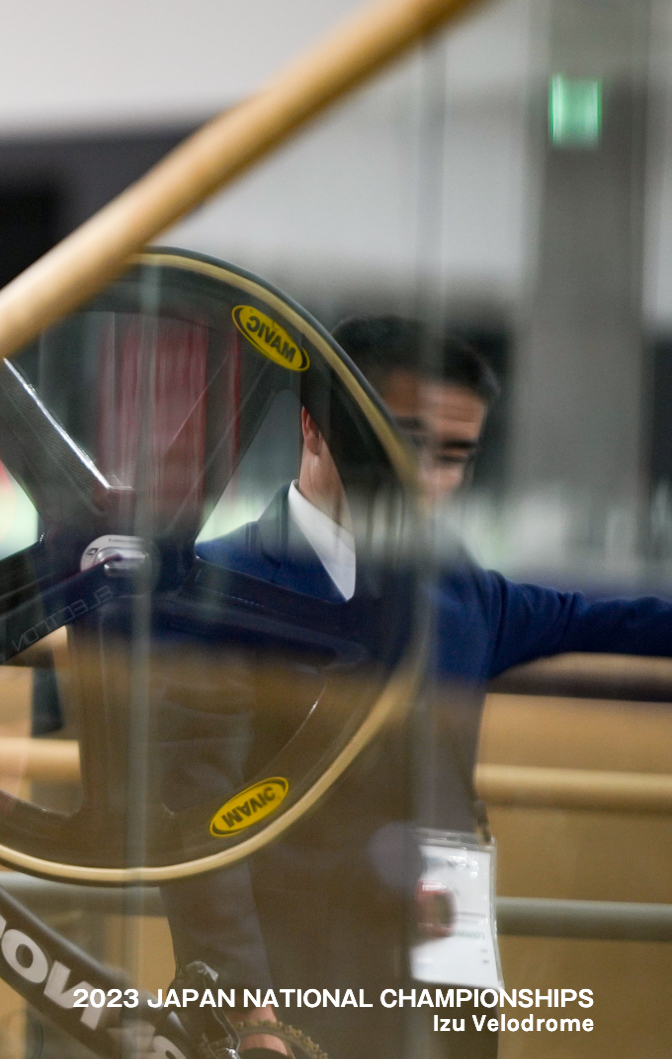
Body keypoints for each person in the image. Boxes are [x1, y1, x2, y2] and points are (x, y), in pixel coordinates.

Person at [170, 315, 672, 1057]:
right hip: (295, 995)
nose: (430, 478)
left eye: (454, 455)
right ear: (314, 429)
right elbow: (197, 822)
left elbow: (605, 621)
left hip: (443, 995)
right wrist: (250, 1014)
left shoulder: (462, 591)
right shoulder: (218, 589)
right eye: (404, 444)